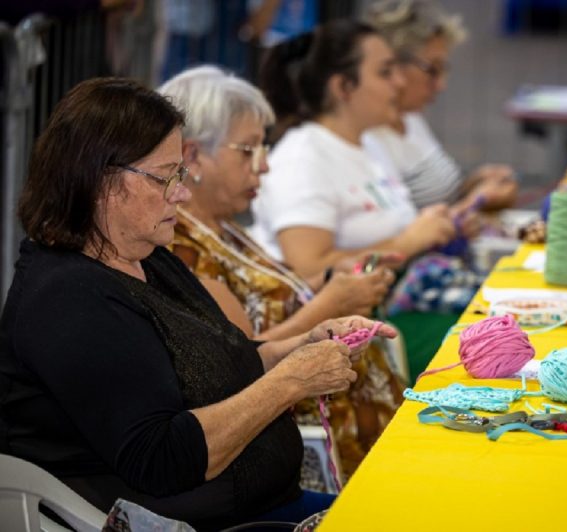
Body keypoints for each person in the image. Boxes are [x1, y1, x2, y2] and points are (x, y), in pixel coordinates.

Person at [0, 77, 395, 529]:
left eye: (180, 175)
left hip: (262, 505)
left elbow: (229, 362)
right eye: (167, 177)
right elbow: (162, 458)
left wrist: (303, 345)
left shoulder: (149, 259)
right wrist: (290, 382)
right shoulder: (67, 299)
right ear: (103, 183)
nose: (182, 193)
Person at [158, 65, 404, 483]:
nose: (264, 167)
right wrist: (330, 305)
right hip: (315, 452)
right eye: (248, 150)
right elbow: (236, 364)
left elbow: (262, 301)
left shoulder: (222, 225)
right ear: (193, 157)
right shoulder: (180, 246)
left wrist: (327, 280)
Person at [248, 19, 457, 279]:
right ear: (343, 87)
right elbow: (306, 270)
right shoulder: (302, 160)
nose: (400, 82)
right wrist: (408, 242)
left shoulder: (368, 142)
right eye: (385, 72)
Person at [362, 0, 518, 212]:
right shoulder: (367, 137)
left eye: (443, 70)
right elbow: (399, 232)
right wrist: (473, 203)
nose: (441, 85)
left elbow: (435, 201)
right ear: (393, 65)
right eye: (432, 69)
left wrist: (475, 185)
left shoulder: (411, 117)